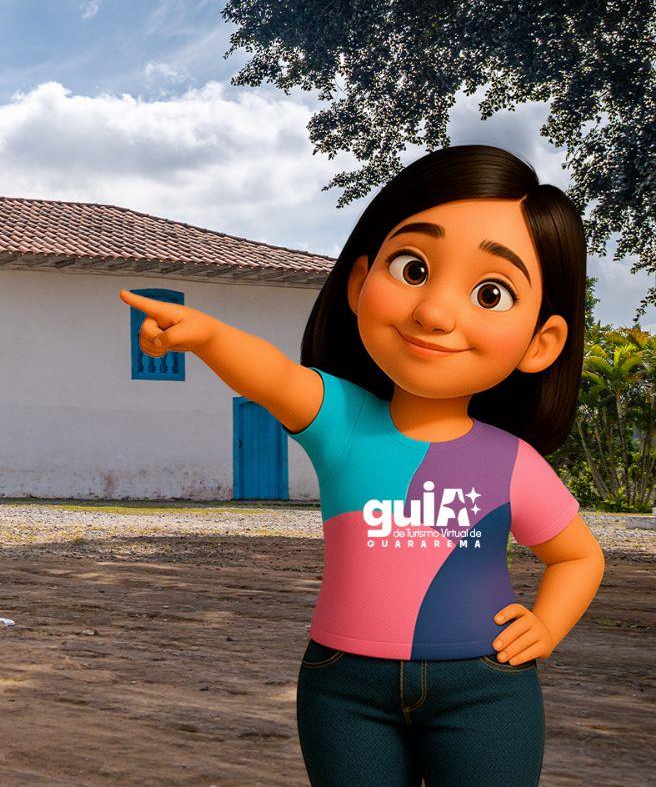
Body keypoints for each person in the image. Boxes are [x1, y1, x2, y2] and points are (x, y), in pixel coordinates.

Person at [119, 145, 604, 786]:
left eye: (491, 293)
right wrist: (208, 336)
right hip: (345, 688)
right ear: (358, 282)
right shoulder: (340, 420)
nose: (434, 312)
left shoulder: (512, 460)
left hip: (487, 687)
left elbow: (578, 557)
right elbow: (272, 376)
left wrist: (547, 625)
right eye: (412, 268)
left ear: (541, 343)